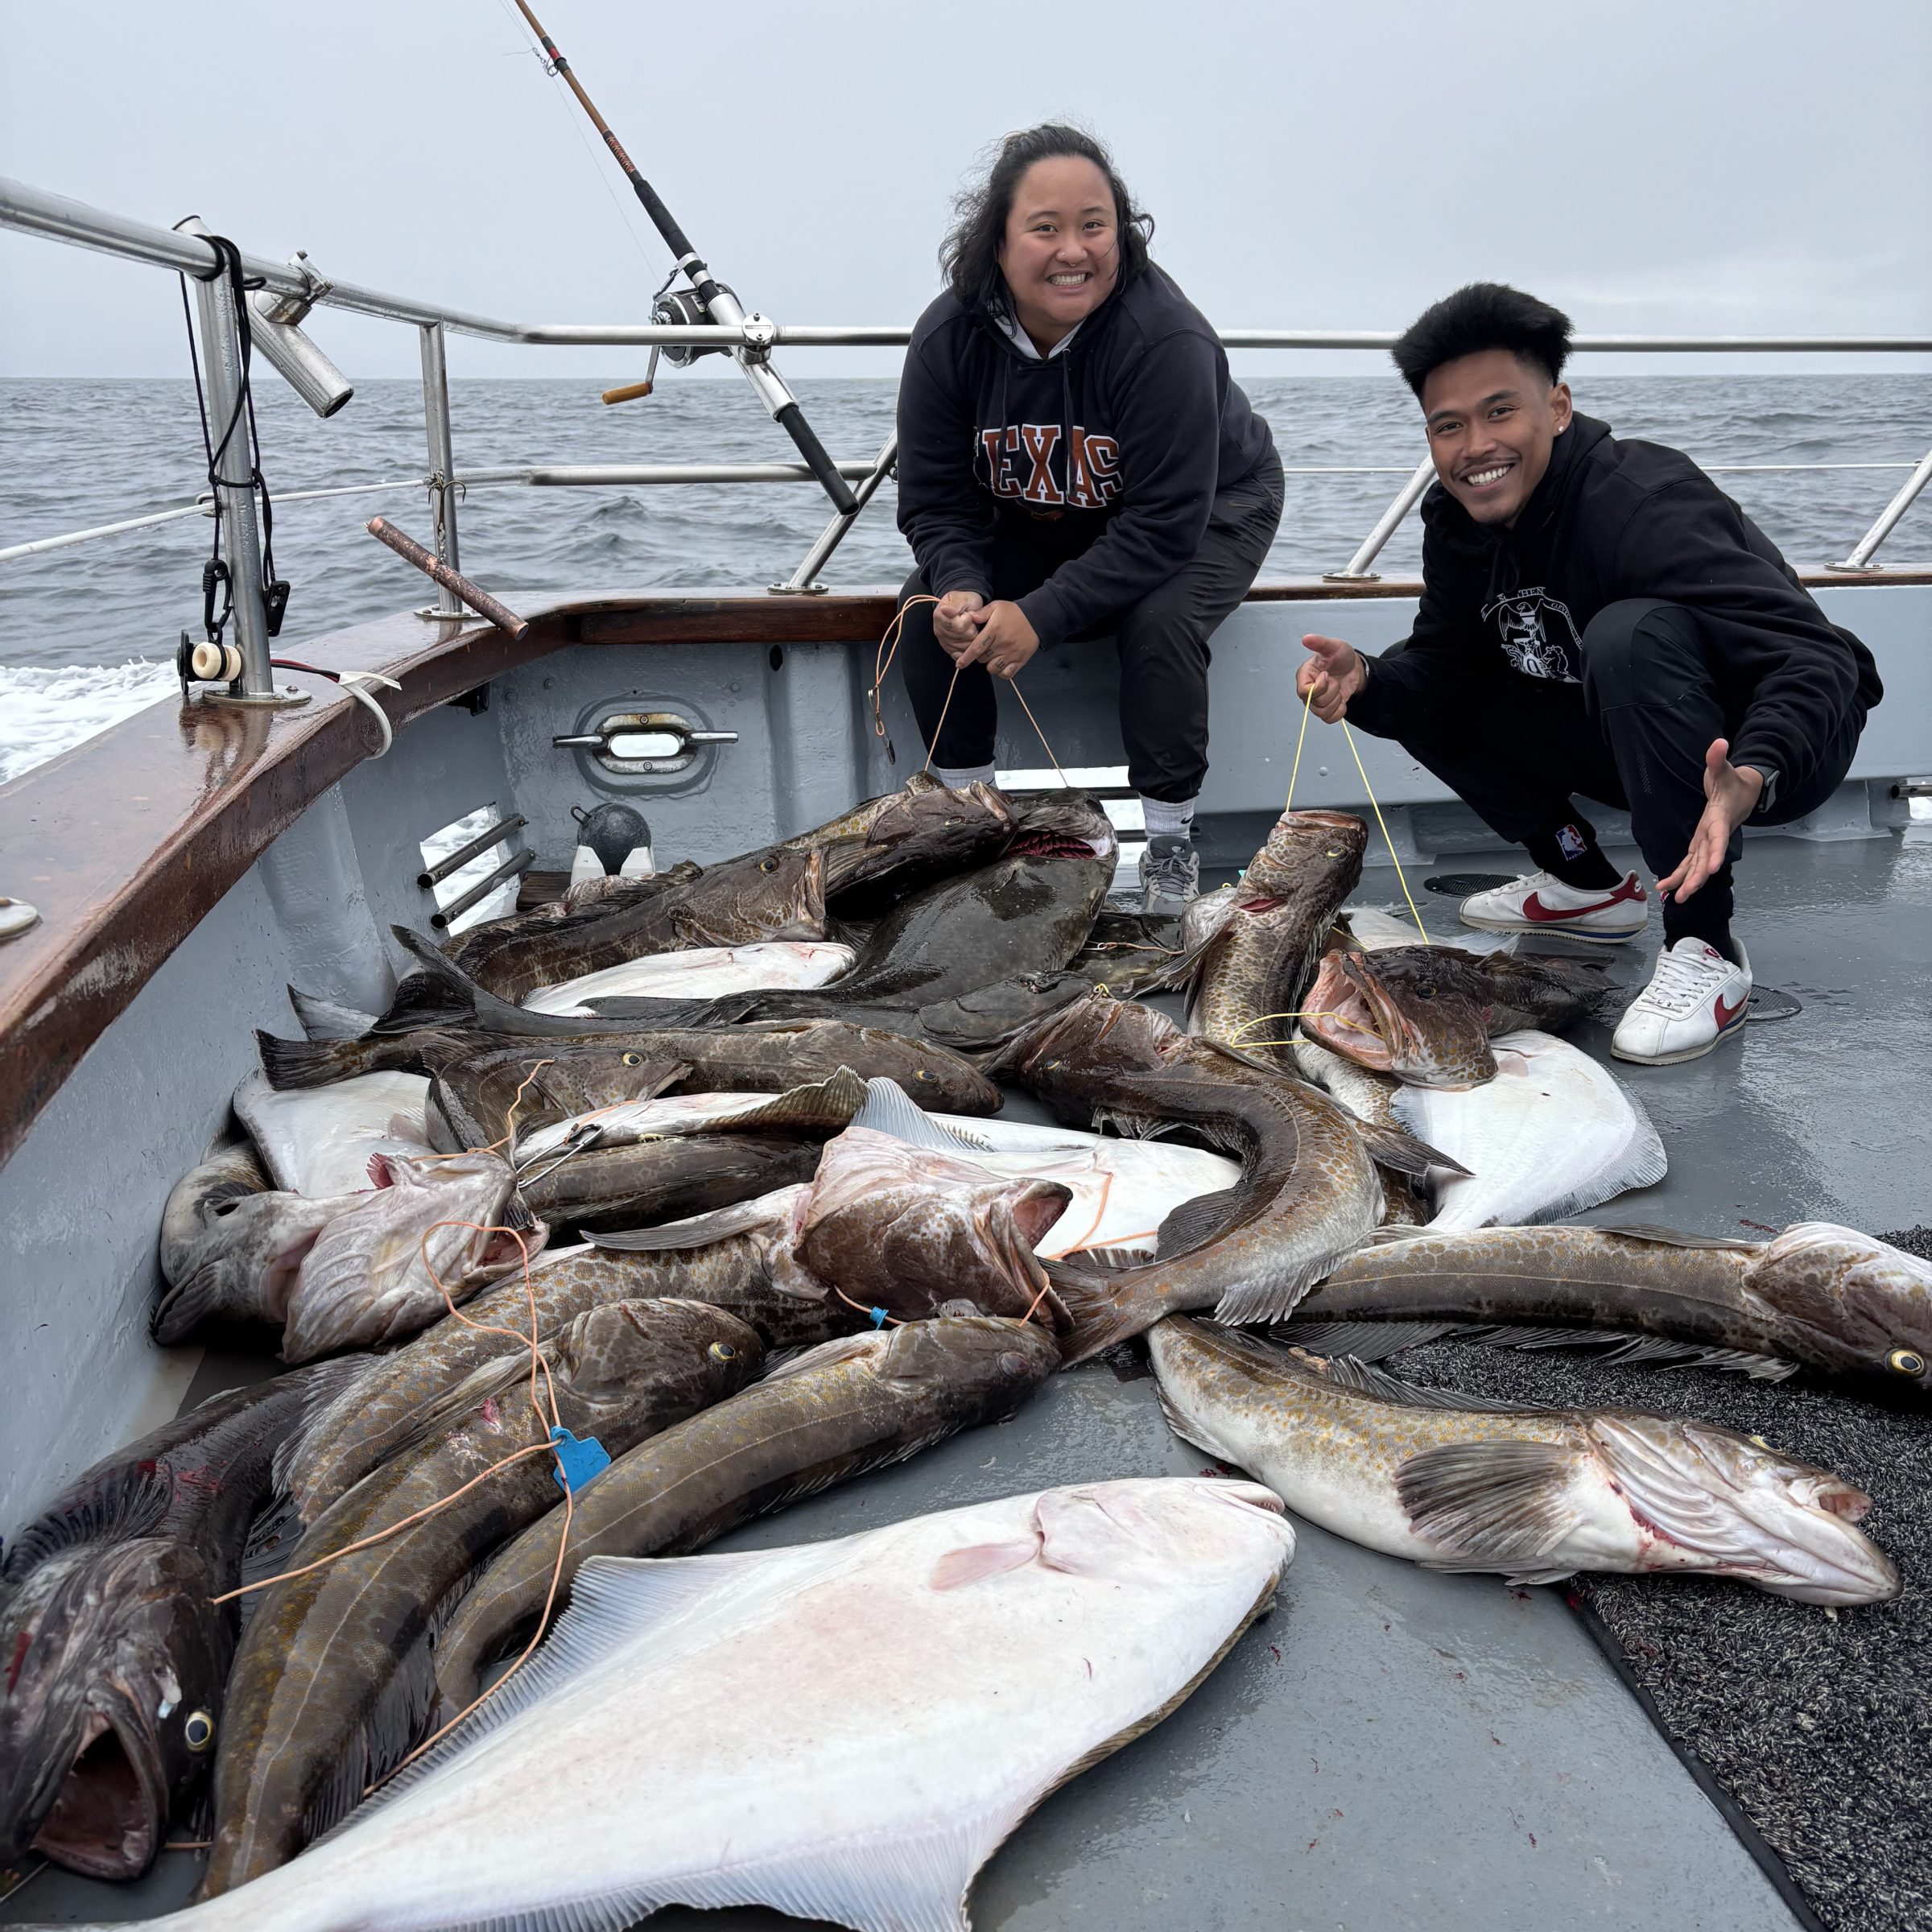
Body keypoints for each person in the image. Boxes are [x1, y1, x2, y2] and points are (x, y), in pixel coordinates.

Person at [1297, 283, 1880, 1066]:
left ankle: (1706, 950)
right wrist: (1364, 680)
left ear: (1558, 408)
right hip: (1643, 743)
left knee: (1628, 635)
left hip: (1768, 751)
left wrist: (1753, 770)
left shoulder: (1641, 500)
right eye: (1448, 425)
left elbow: (1816, 656)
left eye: (1500, 412)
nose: (1474, 446)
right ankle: (1587, 884)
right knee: (1434, 680)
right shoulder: (1460, 522)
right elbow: (1442, 666)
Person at [894, 123, 1283, 914]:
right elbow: (938, 500)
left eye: (1095, 226)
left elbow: (1162, 529)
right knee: (931, 613)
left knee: (1161, 620)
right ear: (997, 242)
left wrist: (1040, 615)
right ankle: (972, 822)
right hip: (1050, 514)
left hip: (1212, 510)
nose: (1075, 250)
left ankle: (1171, 844)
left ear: (1122, 231)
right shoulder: (949, 338)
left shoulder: (1165, 340)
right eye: (1046, 229)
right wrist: (967, 586)